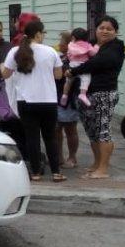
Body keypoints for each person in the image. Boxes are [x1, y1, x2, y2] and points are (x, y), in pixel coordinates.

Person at [1, 19, 66, 182]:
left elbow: (6, 74)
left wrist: (2, 67)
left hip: (26, 101)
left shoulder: (15, 51)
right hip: (48, 100)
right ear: (37, 34)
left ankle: (36, 173)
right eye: (43, 33)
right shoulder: (51, 51)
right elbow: (59, 75)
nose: (44, 36)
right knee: (50, 137)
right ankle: (56, 172)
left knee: (32, 137)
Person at [70, 16, 125, 179]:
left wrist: (73, 71)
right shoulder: (91, 44)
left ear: (116, 31)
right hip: (86, 94)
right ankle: (96, 164)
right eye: (102, 28)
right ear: (96, 30)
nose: (105, 31)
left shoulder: (116, 47)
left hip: (104, 93)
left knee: (103, 131)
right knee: (92, 131)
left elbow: (96, 63)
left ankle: (103, 169)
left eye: (109, 29)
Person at [53, 30, 81, 168]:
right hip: (56, 97)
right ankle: (58, 156)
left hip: (69, 99)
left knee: (70, 128)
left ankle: (72, 157)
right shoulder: (61, 57)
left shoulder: (75, 59)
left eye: (62, 42)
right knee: (56, 128)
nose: (59, 44)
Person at [60, 28, 97, 107]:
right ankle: (83, 94)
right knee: (86, 78)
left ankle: (64, 95)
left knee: (68, 82)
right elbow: (93, 53)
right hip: (82, 65)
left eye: (61, 41)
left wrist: (70, 61)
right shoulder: (87, 45)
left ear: (73, 38)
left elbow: (69, 55)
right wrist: (96, 48)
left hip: (72, 65)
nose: (59, 43)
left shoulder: (71, 45)